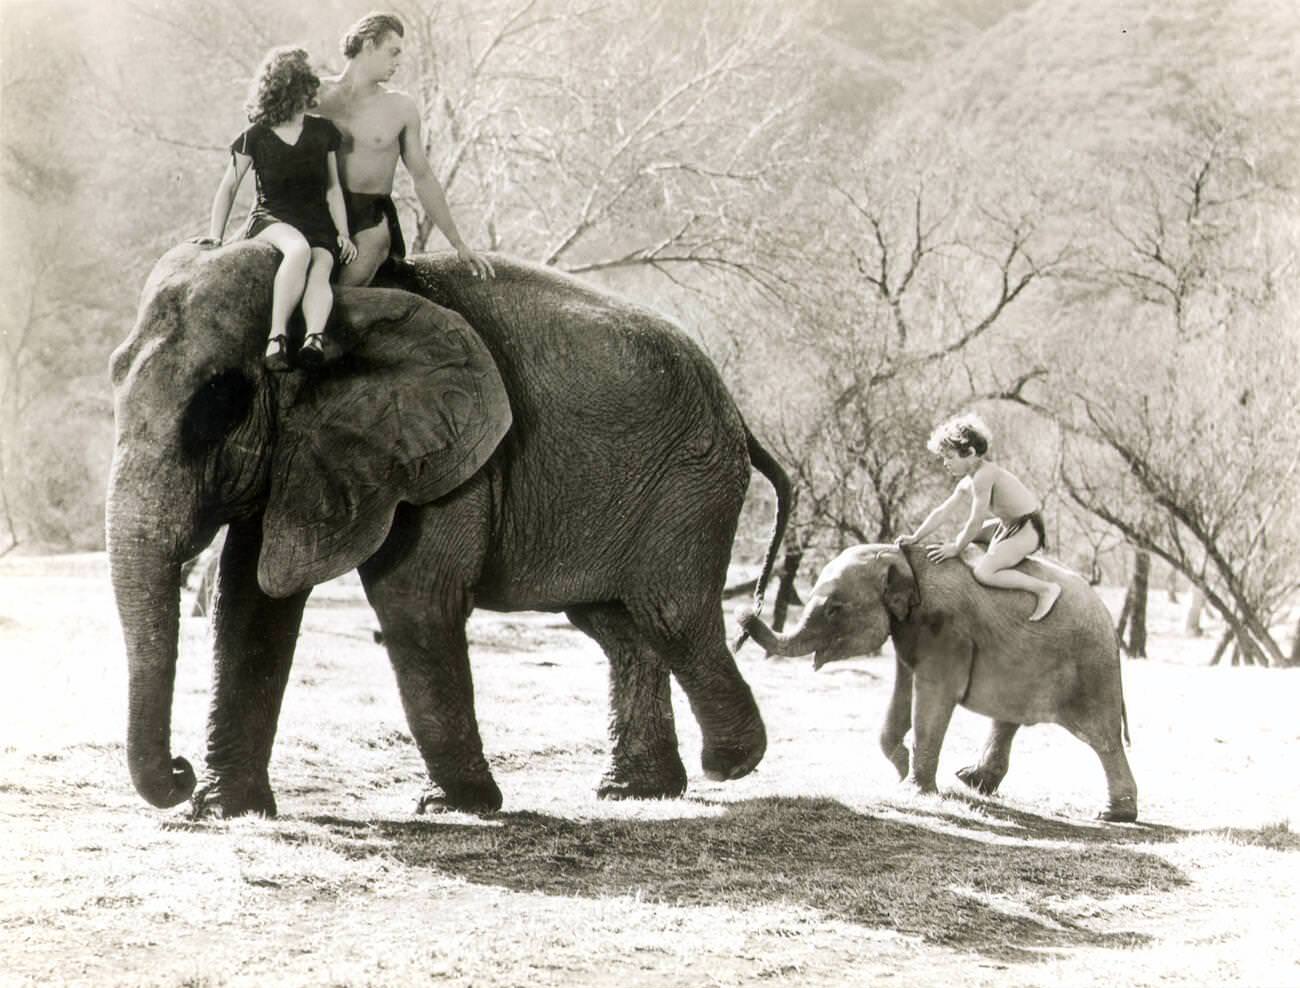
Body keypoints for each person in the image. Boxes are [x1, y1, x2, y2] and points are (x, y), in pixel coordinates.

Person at [315, 12, 494, 287]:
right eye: (393, 52)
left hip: (370, 216)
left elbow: (423, 177)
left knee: (351, 280)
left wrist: (458, 243)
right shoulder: (315, 94)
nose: (398, 62)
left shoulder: (401, 107)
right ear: (368, 44)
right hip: (317, 206)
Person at [208, 46, 357, 371]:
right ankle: (276, 338)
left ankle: (313, 340)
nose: (309, 94)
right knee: (299, 250)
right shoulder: (255, 136)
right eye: (302, 87)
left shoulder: (323, 131)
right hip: (272, 218)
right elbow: (229, 186)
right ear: (283, 91)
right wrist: (215, 236)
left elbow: (333, 188)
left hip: (317, 221)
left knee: (322, 263)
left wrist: (343, 233)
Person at [899, 412, 1062, 621]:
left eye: (950, 457)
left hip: (1027, 529)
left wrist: (956, 548)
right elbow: (942, 511)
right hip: (1005, 525)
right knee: (964, 537)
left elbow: (976, 520)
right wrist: (915, 537)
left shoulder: (985, 475)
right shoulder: (968, 481)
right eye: (943, 458)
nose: (945, 463)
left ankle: (1045, 589)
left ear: (970, 452)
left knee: (983, 573)